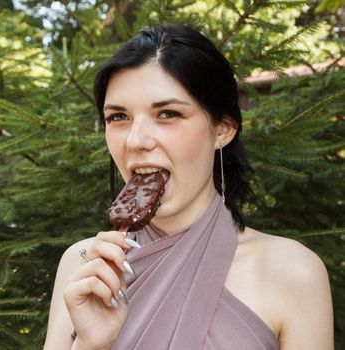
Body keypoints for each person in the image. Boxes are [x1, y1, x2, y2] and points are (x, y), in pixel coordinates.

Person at [43, 24, 334, 350]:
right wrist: (88, 344)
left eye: (167, 113)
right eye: (118, 117)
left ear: (222, 129)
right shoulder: (81, 267)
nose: (136, 140)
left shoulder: (293, 272)